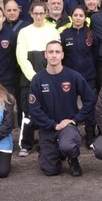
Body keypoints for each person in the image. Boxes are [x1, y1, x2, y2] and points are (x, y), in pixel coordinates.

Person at [28, 41, 97, 176]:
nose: (54, 55)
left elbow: (90, 100)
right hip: (48, 128)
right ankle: (50, 151)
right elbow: (34, 109)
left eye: (57, 52)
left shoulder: (73, 76)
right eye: (51, 52)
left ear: (62, 55)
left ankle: (73, 159)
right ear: (45, 55)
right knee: (50, 170)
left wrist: (75, 120)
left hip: (68, 126)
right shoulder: (38, 79)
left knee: (67, 146)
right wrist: (52, 125)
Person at [16, 1, 61, 156]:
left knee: (48, 111)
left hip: (49, 78)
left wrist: (47, 77)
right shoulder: (24, 32)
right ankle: (26, 144)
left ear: (46, 13)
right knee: (27, 112)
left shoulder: (52, 31)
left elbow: (55, 56)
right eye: (36, 13)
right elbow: (21, 57)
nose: (39, 16)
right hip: (28, 79)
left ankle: (46, 143)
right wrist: (34, 77)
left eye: (42, 13)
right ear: (31, 14)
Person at [60, 6, 97, 148]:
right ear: (71, 17)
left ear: (84, 17)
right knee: (69, 106)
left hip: (89, 76)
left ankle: (89, 135)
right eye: (75, 15)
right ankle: (71, 133)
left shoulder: (91, 35)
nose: (78, 18)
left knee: (90, 105)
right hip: (70, 77)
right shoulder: (64, 35)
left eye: (81, 15)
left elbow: (95, 54)